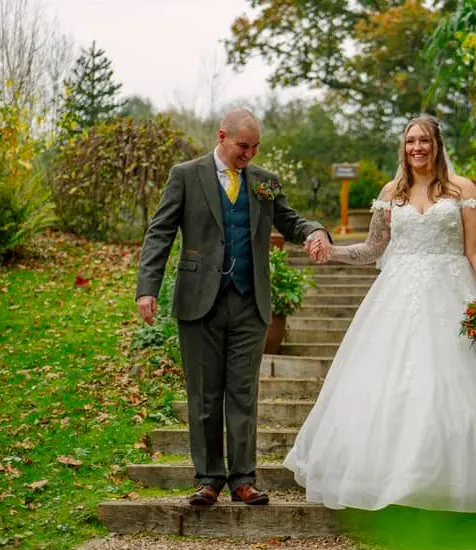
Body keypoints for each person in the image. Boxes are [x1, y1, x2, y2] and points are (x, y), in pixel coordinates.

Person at [286, 115, 476, 513]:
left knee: (460, 387)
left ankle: (461, 477)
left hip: (452, 292)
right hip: (397, 295)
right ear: (403, 148)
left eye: (423, 140)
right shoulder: (391, 192)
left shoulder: (461, 190)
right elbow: (372, 250)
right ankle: (391, 477)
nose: (416, 147)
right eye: (409, 142)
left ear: (437, 144)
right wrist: (331, 251)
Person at [135, 108, 331, 507]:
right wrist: (147, 288)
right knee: (204, 395)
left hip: (249, 301)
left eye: (256, 147)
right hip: (198, 300)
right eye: (244, 146)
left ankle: (244, 479)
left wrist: (315, 231)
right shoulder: (186, 175)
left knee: (242, 392)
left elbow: (289, 221)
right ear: (222, 136)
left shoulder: (264, 182)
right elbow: (160, 231)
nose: (250, 155)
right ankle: (208, 478)